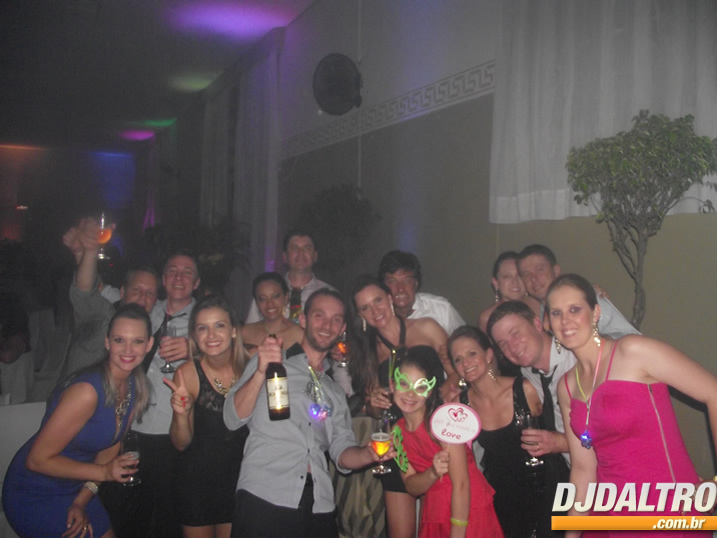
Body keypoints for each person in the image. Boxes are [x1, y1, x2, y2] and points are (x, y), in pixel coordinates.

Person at [550, 274, 717, 536]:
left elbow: (713, 392)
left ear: (595, 313)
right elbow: (583, 470)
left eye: (574, 309)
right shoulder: (567, 386)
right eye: (556, 313)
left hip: (668, 510)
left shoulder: (633, 352)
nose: (565, 321)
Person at [223, 288, 390, 537]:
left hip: (319, 504)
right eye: (319, 315)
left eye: (335, 319)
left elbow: (342, 451)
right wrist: (260, 372)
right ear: (303, 320)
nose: (327, 325)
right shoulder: (271, 362)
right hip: (265, 494)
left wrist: (368, 454)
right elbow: (232, 418)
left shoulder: (334, 390)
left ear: (342, 328)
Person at [2, 304, 152, 538]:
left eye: (138, 341)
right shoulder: (87, 391)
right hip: (35, 491)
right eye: (119, 340)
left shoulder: (134, 388)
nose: (128, 350)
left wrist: (82, 499)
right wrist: (104, 472)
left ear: (149, 345)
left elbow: (110, 448)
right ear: (107, 342)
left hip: (76, 487)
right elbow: (36, 460)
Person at [350, 274, 454, 538]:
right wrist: (373, 404)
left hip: (438, 436)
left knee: (447, 525)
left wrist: (447, 388)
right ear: (361, 315)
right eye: (365, 307)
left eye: (377, 300)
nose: (375, 310)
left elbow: (457, 372)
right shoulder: (367, 353)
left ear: (389, 298)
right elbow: (376, 409)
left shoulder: (427, 327)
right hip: (400, 442)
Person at [448, 326, 568, 537]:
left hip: (547, 487)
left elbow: (561, 427)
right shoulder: (460, 405)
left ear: (488, 355)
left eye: (472, 354)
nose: (466, 363)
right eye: (458, 359)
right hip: (502, 495)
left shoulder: (524, 389)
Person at [393, 345, 503, 538]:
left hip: (467, 511)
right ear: (392, 385)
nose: (410, 394)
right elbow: (411, 486)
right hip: (435, 510)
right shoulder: (396, 432)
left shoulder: (443, 423)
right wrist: (433, 472)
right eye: (404, 384)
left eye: (420, 387)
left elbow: (462, 484)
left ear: (429, 392)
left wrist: (457, 534)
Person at [165, 294, 250, 538]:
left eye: (219, 326)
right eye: (203, 328)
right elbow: (181, 444)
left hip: (242, 482)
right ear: (194, 335)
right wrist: (182, 414)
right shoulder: (187, 374)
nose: (211, 335)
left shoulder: (252, 367)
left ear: (233, 330)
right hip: (196, 483)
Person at [61, 217, 161, 377]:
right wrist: (89, 251)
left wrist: (80, 254)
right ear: (122, 292)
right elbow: (85, 290)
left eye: (150, 293)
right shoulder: (101, 314)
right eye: (136, 290)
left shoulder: (151, 326)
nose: (143, 297)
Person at [487, 301, 572, 461]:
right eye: (503, 344)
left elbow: (611, 431)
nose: (512, 347)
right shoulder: (529, 372)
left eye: (515, 333)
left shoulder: (576, 360)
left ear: (537, 324)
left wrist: (561, 442)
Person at [516, 244, 639, 339]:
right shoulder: (540, 314)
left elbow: (630, 336)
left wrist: (598, 345)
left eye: (539, 269)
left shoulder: (585, 297)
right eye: (526, 274)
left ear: (556, 271)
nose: (534, 278)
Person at [244, 230, 333, 324]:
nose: (301, 253)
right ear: (285, 256)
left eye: (307, 248)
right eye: (294, 248)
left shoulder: (329, 295)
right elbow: (251, 328)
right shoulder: (266, 292)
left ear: (315, 256)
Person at [378, 250, 465, 334]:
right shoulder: (378, 316)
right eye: (392, 282)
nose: (400, 289)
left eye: (407, 281)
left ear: (416, 283)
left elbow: (466, 340)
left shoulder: (441, 309)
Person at [477, 251, 541, 333]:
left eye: (519, 275)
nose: (515, 282)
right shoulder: (487, 318)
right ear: (496, 283)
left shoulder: (539, 305)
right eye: (507, 276)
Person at [240, 272, 304, 354]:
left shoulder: (301, 334)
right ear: (256, 303)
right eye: (262, 299)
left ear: (285, 297)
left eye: (275, 296)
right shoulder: (244, 333)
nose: (270, 304)